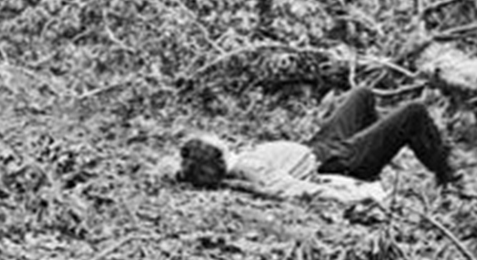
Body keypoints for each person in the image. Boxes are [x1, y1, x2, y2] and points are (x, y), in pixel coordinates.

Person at [177, 86, 458, 203]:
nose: (216, 136)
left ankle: (378, 152)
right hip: (338, 164)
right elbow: (293, 188)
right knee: (413, 112)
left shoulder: (239, 162)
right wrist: (357, 193)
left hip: (319, 148)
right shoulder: (249, 169)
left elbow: (180, 167)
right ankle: (452, 179)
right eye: (211, 140)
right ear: (216, 153)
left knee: (362, 95)